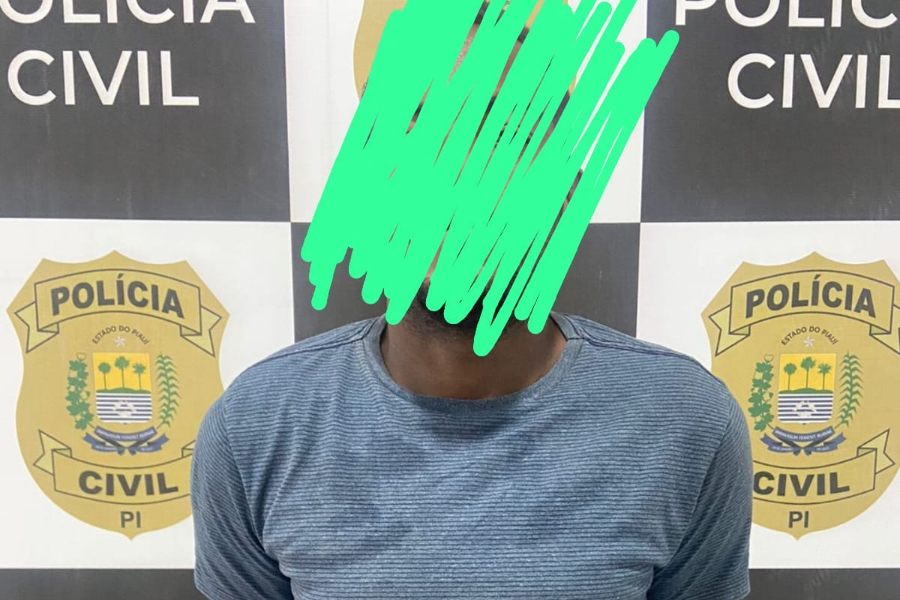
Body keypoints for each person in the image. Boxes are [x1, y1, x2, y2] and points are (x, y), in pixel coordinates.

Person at [190, 3, 753, 599]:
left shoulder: (687, 424)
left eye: (507, 134)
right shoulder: (252, 430)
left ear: (566, 188)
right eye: (424, 128)